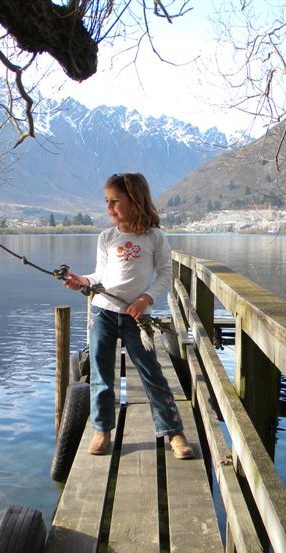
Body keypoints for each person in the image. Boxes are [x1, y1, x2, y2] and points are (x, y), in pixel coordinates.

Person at [63, 173, 195, 459]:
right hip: (102, 312)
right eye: (107, 202)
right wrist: (81, 280)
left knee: (151, 373)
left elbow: (165, 274)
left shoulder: (154, 237)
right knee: (101, 373)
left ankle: (174, 432)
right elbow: (100, 275)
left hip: (137, 317)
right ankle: (102, 430)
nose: (109, 208)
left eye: (115, 201)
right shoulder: (106, 237)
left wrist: (146, 299)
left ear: (134, 201)